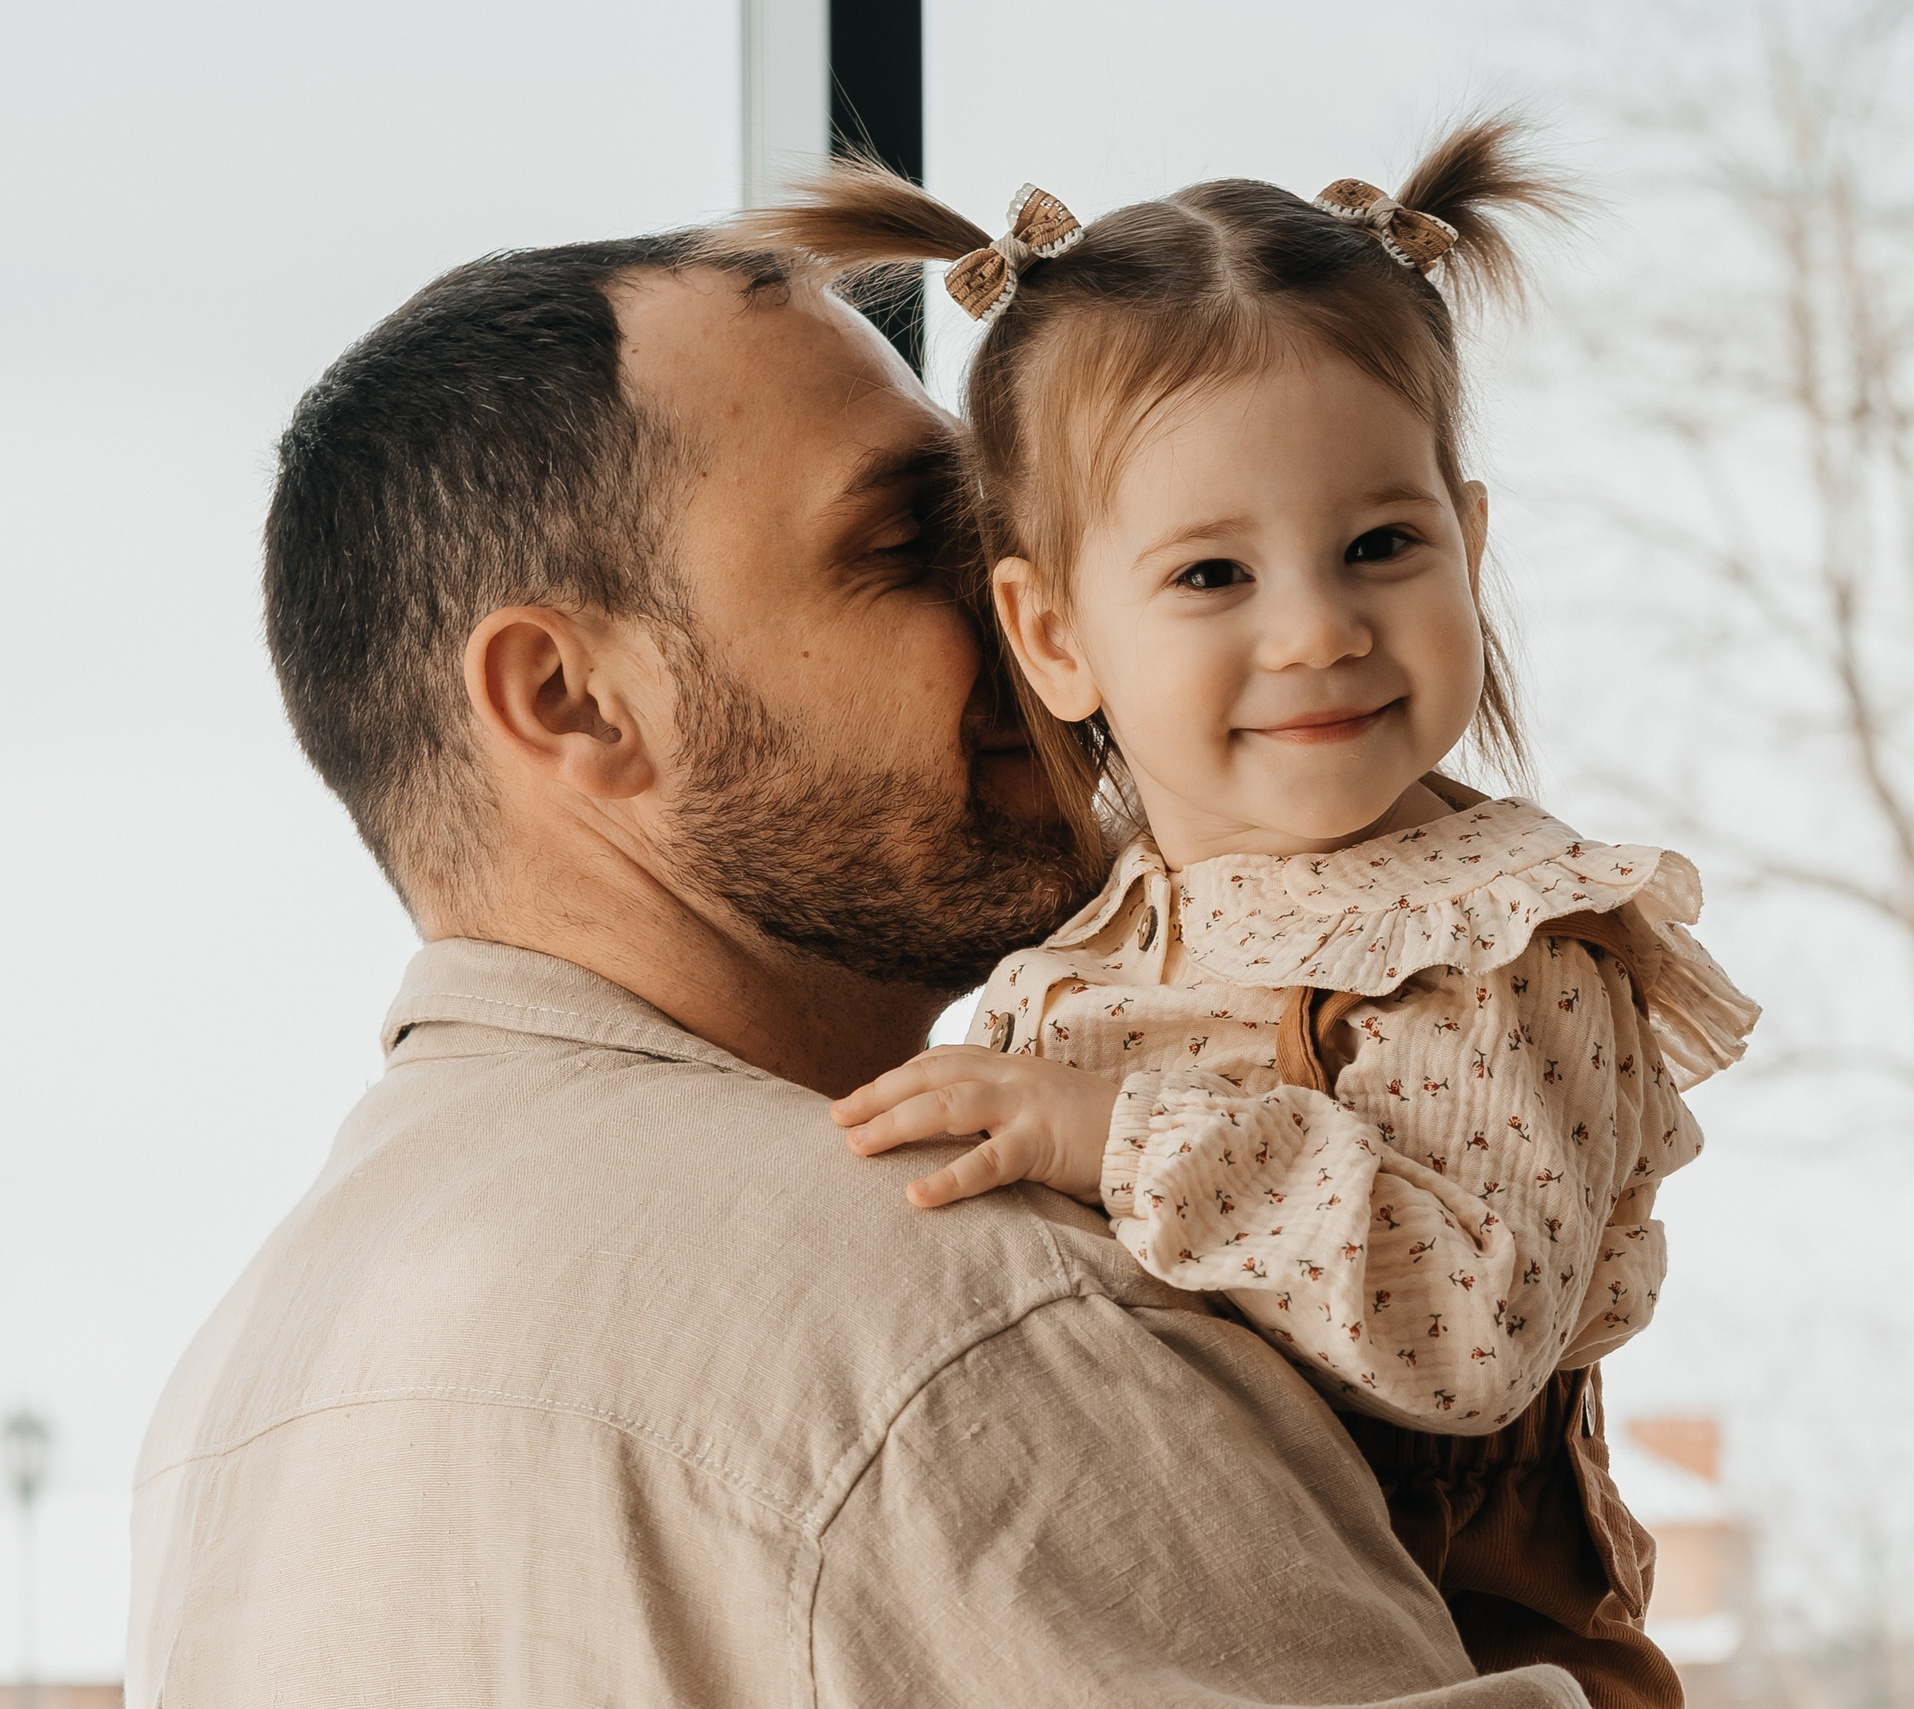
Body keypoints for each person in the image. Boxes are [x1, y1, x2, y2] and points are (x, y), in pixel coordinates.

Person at [128, 232, 1588, 1706]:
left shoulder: (224, 1401)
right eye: (907, 546)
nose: (1045, 629)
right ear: (572, 698)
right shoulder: (969, 1313)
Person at [730, 121, 1759, 1709]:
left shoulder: (1499, 940)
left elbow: (1472, 1333)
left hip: (1457, 1645)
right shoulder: (1066, 970)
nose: (1317, 630)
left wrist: (1113, 1135)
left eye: (1381, 547)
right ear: (1054, 633)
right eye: (1214, 575)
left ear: (1468, 551)